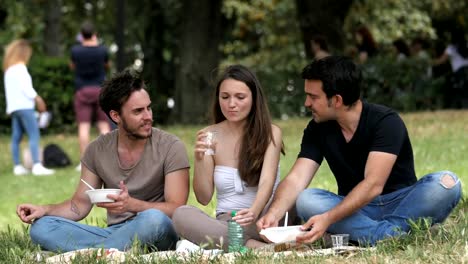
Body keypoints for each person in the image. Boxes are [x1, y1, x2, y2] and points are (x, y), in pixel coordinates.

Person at [257, 56, 462, 246]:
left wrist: (328, 219)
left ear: (336, 100)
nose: (306, 103)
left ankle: (372, 233)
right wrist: (274, 212)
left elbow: (373, 185)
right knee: (307, 200)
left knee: (446, 183)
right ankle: (395, 234)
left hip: (401, 203)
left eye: (313, 97)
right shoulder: (317, 128)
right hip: (354, 209)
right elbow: (296, 179)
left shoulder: (386, 122)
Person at [16, 71, 190, 252]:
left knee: (154, 219)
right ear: (116, 116)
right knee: (42, 226)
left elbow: (177, 209)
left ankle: (98, 252)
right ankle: (109, 251)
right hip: (114, 233)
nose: (148, 116)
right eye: (138, 111)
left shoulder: (171, 147)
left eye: (149, 108)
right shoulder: (96, 150)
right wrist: (44, 209)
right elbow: (79, 205)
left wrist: (133, 205)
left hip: (156, 230)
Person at [172, 65, 284, 251]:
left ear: (254, 99)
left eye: (240, 97)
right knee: (181, 215)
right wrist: (200, 160)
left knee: (298, 204)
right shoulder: (209, 135)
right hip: (229, 220)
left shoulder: (271, 133)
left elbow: (267, 181)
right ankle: (257, 247)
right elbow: (204, 197)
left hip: (265, 217)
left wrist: (254, 212)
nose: (231, 104)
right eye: (225, 97)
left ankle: (238, 244)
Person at [3, 39, 55, 176]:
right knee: (34, 134)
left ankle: (17, 166)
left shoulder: (8, 70)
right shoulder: (21, 68)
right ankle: (37, 165)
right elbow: (27, 89)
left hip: (14, 108)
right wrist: (38, 99)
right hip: (25, 106)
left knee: (16, 137)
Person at [70, 20, 111, 171]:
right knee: (103, 125)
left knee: (83, 126)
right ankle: (108, 160)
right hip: (100, 90)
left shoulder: (75, 50)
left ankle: (84, 163)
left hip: (82, 90)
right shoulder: (102, 50)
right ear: (94, 34)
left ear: (81, 35)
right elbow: (107, 65)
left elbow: (72, 66)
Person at [433, 27, 468, 108]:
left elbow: (441, 61)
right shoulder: (466, 45)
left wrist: (430, 62)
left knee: (460, 90)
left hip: (459, 72)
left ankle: (462, 106)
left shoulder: (451, 48)